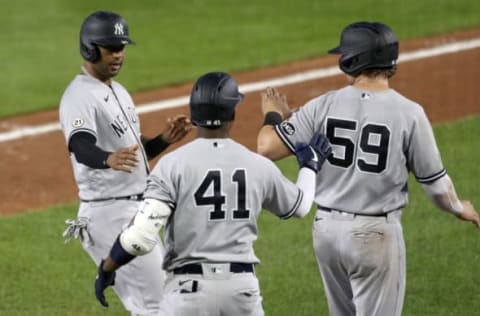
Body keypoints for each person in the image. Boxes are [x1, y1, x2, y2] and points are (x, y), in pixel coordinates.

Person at [256, 21, 480, 316]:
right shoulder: (409, 113)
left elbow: (266, 147)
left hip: (327, 233)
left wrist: (275, 115)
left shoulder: (323, 105)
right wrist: (457, 207)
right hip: (374, 236)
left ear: (352, 60)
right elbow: (436, 185)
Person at [93, 71, 332, 315]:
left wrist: (108, 268)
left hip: (188, 295)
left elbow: (139, 238)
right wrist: (310, 166)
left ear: (194, 114)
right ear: (233, 113)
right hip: (241, 294)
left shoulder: (172, 165)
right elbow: (300, 206)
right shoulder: (257, 165)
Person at [59, 11, 191, 315]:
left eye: (121, 47)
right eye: (110, 48)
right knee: (156, 306)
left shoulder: (117, 90)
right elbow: (80, 145)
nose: (118, 55)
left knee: (163, 302)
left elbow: (132, 153)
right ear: (90, 48)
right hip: (109, 214)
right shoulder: (78, 95)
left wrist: (164, 140)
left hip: (134, 210)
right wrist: (106, 158)